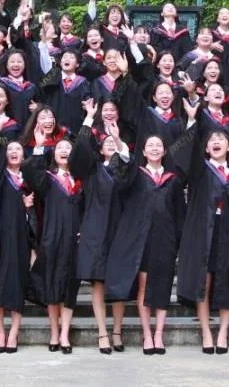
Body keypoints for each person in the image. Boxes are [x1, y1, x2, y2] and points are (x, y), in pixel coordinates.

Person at [173, 106, 229, 355]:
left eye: (221, 139)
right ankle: (206, 331)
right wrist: (192, 120)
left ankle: (223, 331)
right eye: (212, 140)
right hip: (203, 232)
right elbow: (183, 155)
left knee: (225, 281)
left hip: (227, 232)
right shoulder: (200, 170)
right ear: (206, 148)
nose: (216, 141)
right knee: (202, 282)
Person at [104, 133, 187, 355]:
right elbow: (122, 174)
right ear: (143, 151)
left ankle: (159, 333)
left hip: (166, 239)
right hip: (142, 239)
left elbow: (180, 214)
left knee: (163, 286)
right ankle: (147, 334)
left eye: (158, 145)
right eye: (150, 145)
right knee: (144, 285)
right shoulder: (136, 176)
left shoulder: (173, 180)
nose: (154, 148)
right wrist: (119, 142)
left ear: (165, 151)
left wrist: (179, 242)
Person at [71, 99, 132, 355]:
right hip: (95, 229)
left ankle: (117, 331)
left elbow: (127, 162)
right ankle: (102, 332)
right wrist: (89, 117)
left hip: (118, 229)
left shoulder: (124, 168)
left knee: (117, 282)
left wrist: (117, 139)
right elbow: (79, 151)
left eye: (113, 142)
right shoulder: (92, 169)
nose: (109, 143)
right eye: (105, 141)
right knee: (97, 282)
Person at [0, 136, 36, 353]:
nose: (13, 152)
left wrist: (27, 207)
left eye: (18, 149)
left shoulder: (29, 180)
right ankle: (0, 332)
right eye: (10, 149)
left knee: (17, 283)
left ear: (24, 155)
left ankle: (14, 332)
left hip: (20, 239)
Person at [25, 135, 83, 354]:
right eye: (60, 147)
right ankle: (54, 333)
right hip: (52, 238)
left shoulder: (81, 180)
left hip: (74, 240)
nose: (64, 150)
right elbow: (31, 173)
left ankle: (65, 334)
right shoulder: (48, 180)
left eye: (68, 147)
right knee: (51, 285)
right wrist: (39, 146)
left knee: (69, 287)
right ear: (53, 153)